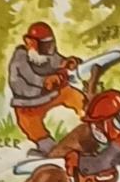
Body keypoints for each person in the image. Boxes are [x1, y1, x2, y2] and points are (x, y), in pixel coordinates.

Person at [7, 21, 86, 165]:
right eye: (44, 45)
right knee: (29, 123)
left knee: (72, 95)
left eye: (50, 45)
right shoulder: (20, 57)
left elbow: (57, 61)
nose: (48, 49)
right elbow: (29, 76)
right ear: (30, 42)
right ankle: (47, 146)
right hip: (29, 102)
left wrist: (67, 63)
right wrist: (44, 81)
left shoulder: (49, 54)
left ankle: (90, 115)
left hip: (52, 95)